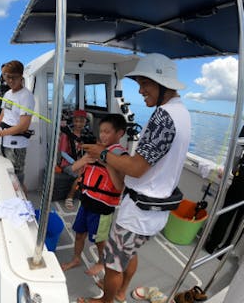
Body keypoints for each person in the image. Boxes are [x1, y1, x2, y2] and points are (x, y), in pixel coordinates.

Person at [78, 53, 191, 303]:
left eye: (145, 83)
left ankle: (105, 300)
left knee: (114, 263)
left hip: (139, 212)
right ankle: (118, 290)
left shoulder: (164, 116)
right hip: (155, 210)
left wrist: (102, 154)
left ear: (163, 84)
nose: (140, 91)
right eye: (139, 83)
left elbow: (137, 168)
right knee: (129, 252)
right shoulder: (182, 113)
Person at [61, 114, 127, 275]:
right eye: (101, 131)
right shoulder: (95, 150)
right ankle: (76, 258)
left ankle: (101, 262)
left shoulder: (120, 156)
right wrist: (85, 160)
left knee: (99, 240)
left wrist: (107, 163)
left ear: (120, 134)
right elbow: (75, 168)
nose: (103, 135)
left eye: (107, 132)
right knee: (79, 234)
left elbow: (119, 187)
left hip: (102, 208)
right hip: (86, 202)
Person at [0, 60, 35, 186]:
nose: (9, 80)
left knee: (17, 182)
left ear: (21, 76)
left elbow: (23, 126)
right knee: (4, 176)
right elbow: (2, 117)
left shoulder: (26, 96)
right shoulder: (8, 94)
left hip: (16, 147)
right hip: (3, 142)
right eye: (6, 76)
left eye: (12, 77)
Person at [54, 109, 88, 204]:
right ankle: (70, 196)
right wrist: (75, 163)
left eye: (81, 121)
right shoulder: (67, 134)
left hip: (82, 162)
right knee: (81, 175)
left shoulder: (86, 135)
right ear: (73, 121)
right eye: (76, 121)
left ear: (85, 122)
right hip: (67, 164)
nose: (79, 124)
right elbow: (63, 153)